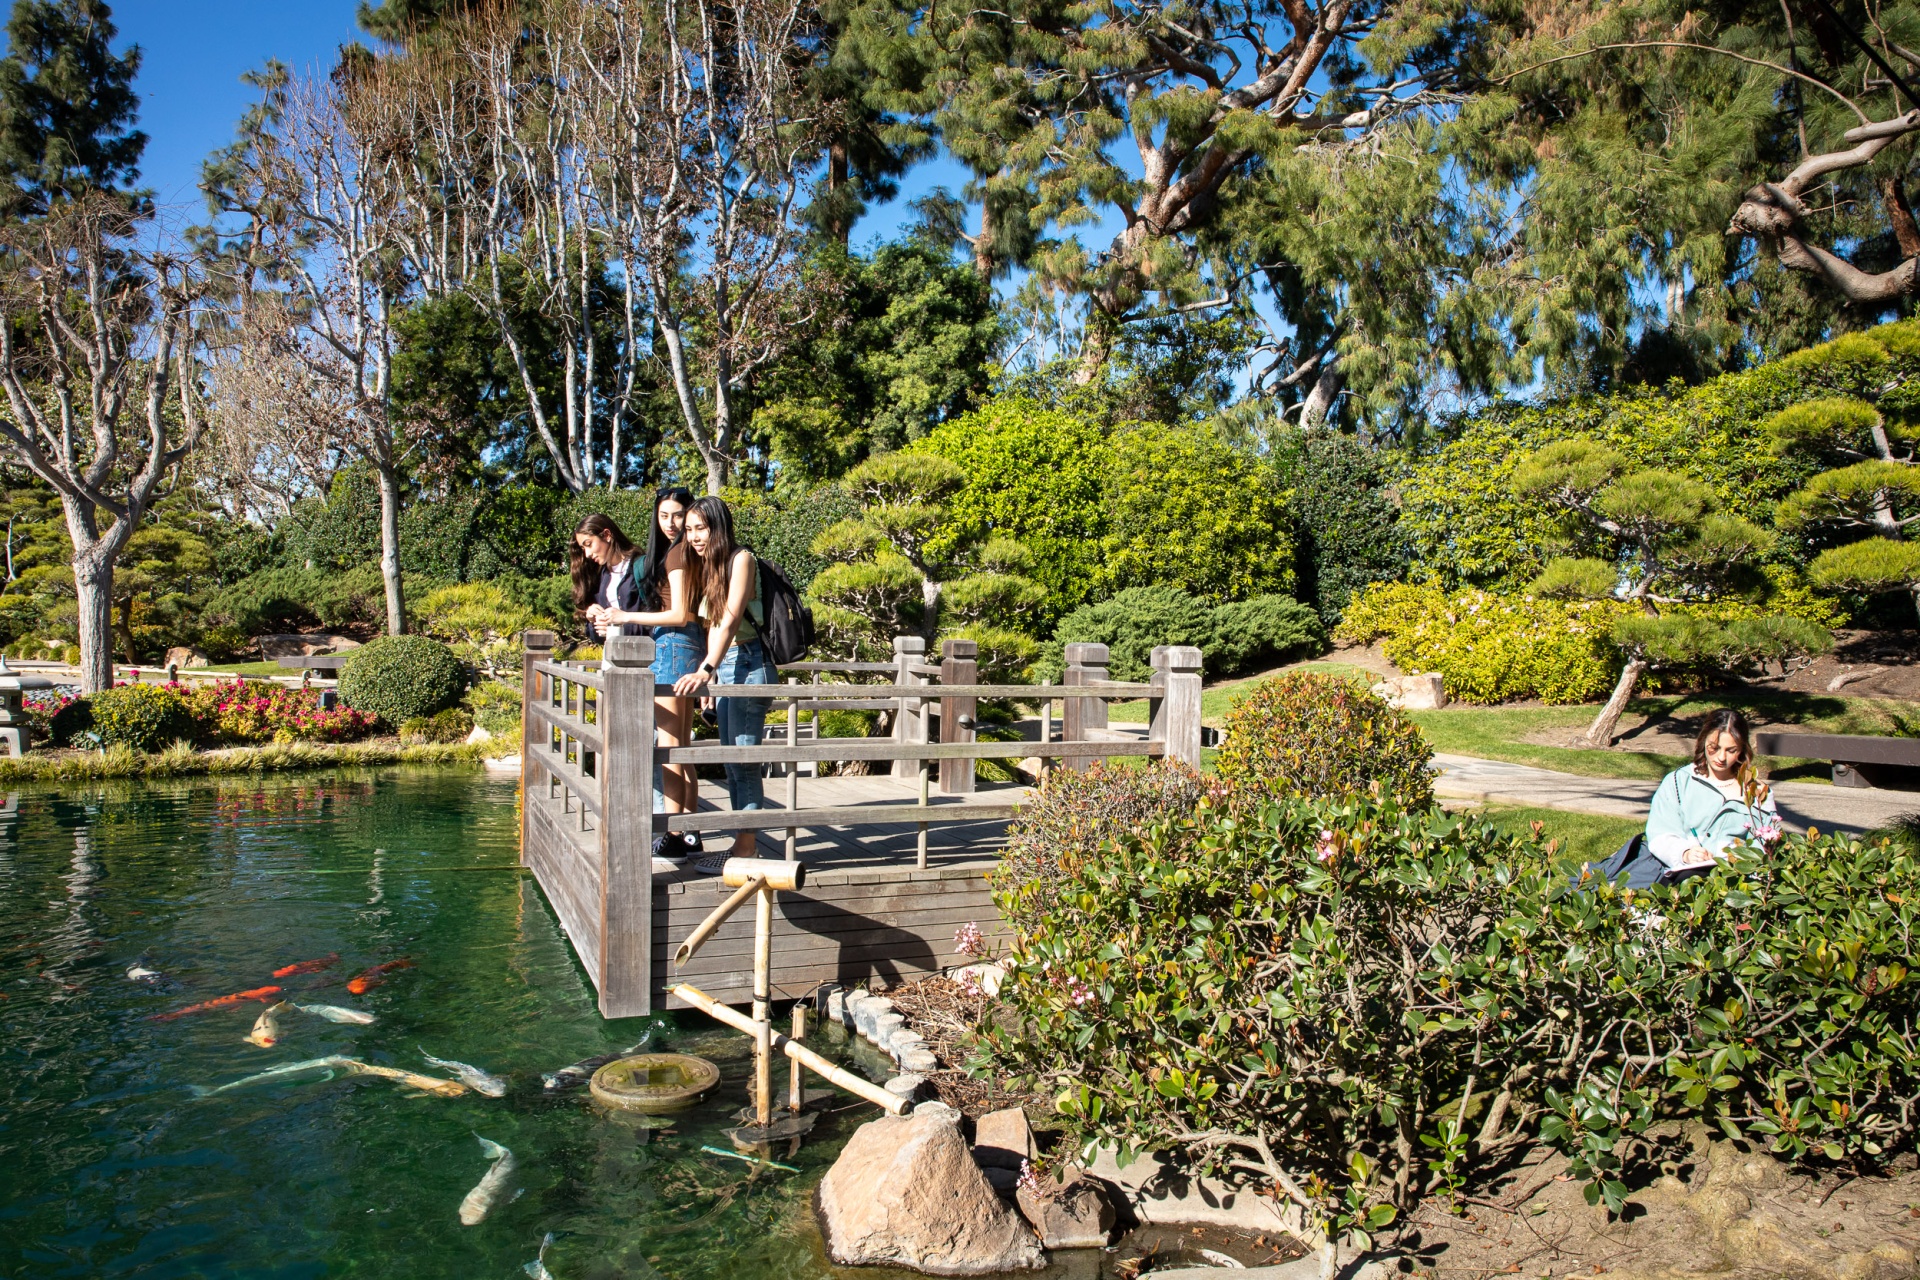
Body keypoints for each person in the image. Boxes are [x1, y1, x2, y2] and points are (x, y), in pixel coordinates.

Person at [572, 498, 705, 862]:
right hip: (618, 664)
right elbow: (604, 625)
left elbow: (656, 613)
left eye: (589, 545)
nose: (588, 554)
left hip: (653, 658)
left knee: (665, 745)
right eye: (664, 516)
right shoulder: (602, 575)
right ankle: (677, 829)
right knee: (659, 744)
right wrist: (595, 617)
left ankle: (673, 830)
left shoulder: (646, 564)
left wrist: (619, 617)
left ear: (607, 534)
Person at [672, 496, 777, 862]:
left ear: (718, 527)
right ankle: (741, 844)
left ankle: (746, 850)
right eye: (689, 530)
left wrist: (705, 671)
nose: (694, 536)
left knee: (744, 760)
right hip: (728, 664)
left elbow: (731, 620)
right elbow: (712, 625)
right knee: (732, 762)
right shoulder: (709, 567)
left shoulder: (741, 559)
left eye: (700, 528)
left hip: (751, 663)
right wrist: (711, 679)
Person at [1644, 708, 1782, 872]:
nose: (1721, 757)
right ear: (1703, 742)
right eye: (1714, 747)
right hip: (1681, 877)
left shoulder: (1757, 792)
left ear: (1742, 750)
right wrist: (1685, 854)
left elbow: (1764, 848)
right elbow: (1661, 832)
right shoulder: (1678, 781)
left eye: (1731, 750)